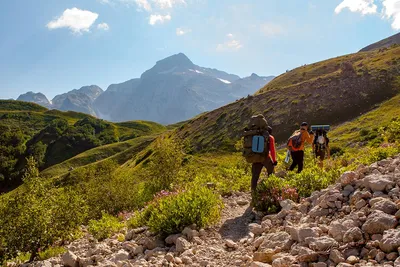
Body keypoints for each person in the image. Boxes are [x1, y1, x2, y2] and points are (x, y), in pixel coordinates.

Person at [251, 125, 277, 193]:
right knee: (271, 172)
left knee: (255, 176)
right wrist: (274, 160)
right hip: (265, 157)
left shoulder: (254, 137)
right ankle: (272, 189)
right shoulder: (270, 137)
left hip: (256, 158)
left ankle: (253, 191)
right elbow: (272, 150)